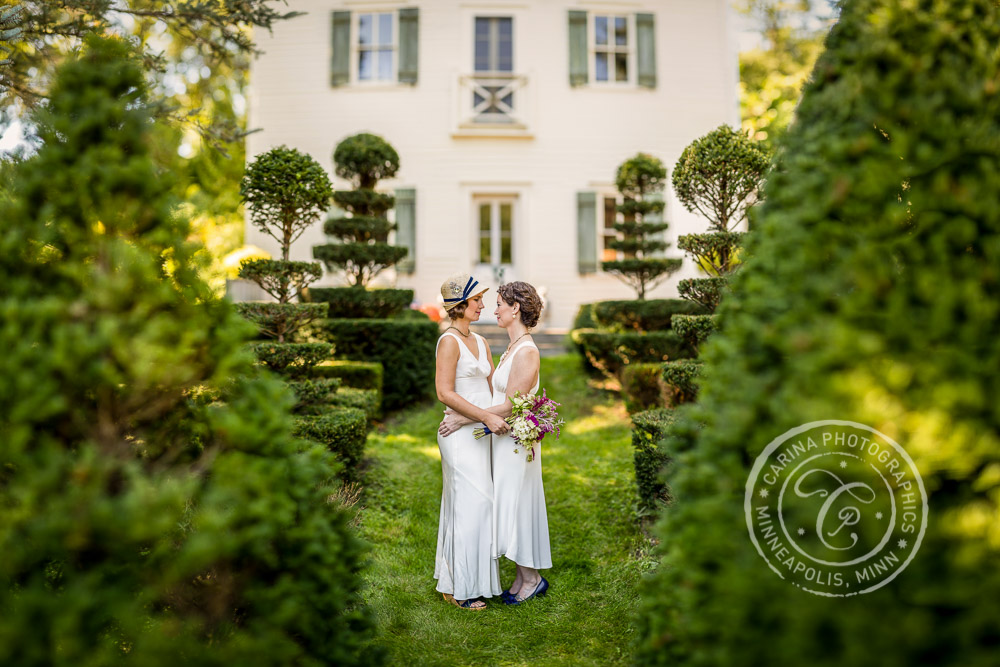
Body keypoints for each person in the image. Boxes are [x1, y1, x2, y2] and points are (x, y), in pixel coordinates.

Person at [439, 281, 552, 605]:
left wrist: (465, 417)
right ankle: (522, 578)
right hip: (504, 439)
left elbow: (512, 403)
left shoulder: (527, 350)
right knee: (509, 505)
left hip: (513, 441)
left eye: (500, 303)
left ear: (515, 309)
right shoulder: (513, 347)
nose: (494, 308)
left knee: (516, 506)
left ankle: (530, 579)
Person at [433, 272, 507, 610]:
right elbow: (444, 392)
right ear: (460, 305)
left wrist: (495, 414)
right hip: (458, 434)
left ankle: (470, 580)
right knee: (471, 505)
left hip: (479, 428)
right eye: (476, 300)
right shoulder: (448, 341)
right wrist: (483, 417)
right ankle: (460, 587)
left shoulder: (480, 341)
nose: (482, 304)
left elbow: (494, 388)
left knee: (482, 504)